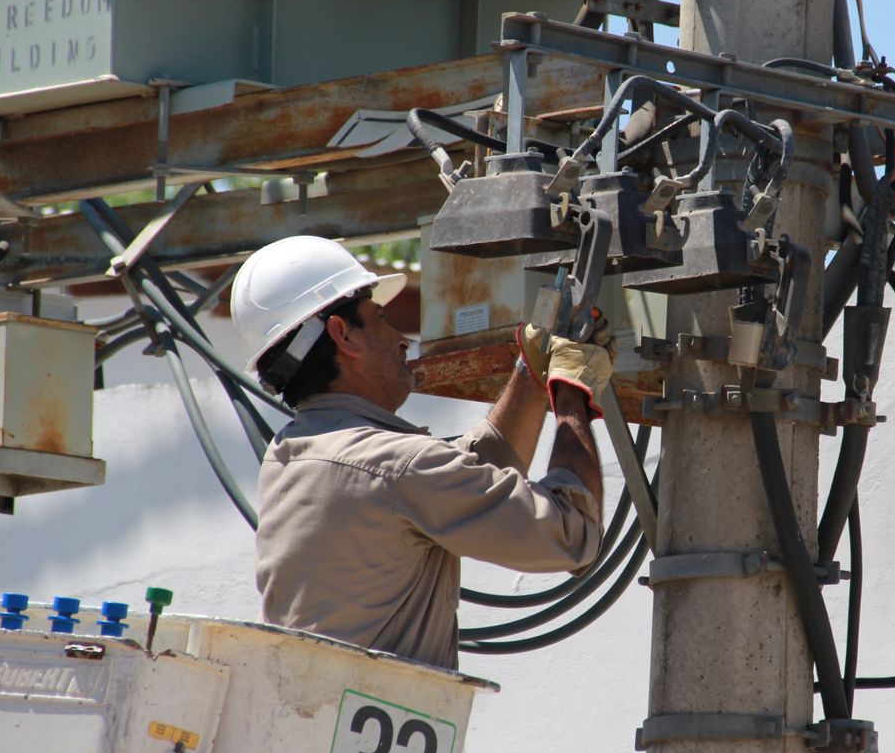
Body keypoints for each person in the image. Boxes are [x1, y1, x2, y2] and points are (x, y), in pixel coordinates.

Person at [229, 235, 615, 668]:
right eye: (380, 318)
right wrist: (571, 390)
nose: (401, 339)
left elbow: (464, 476)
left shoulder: (290, 455)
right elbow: (573, 535)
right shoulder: (396, 467)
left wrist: (533, 366)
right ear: (343, 334)